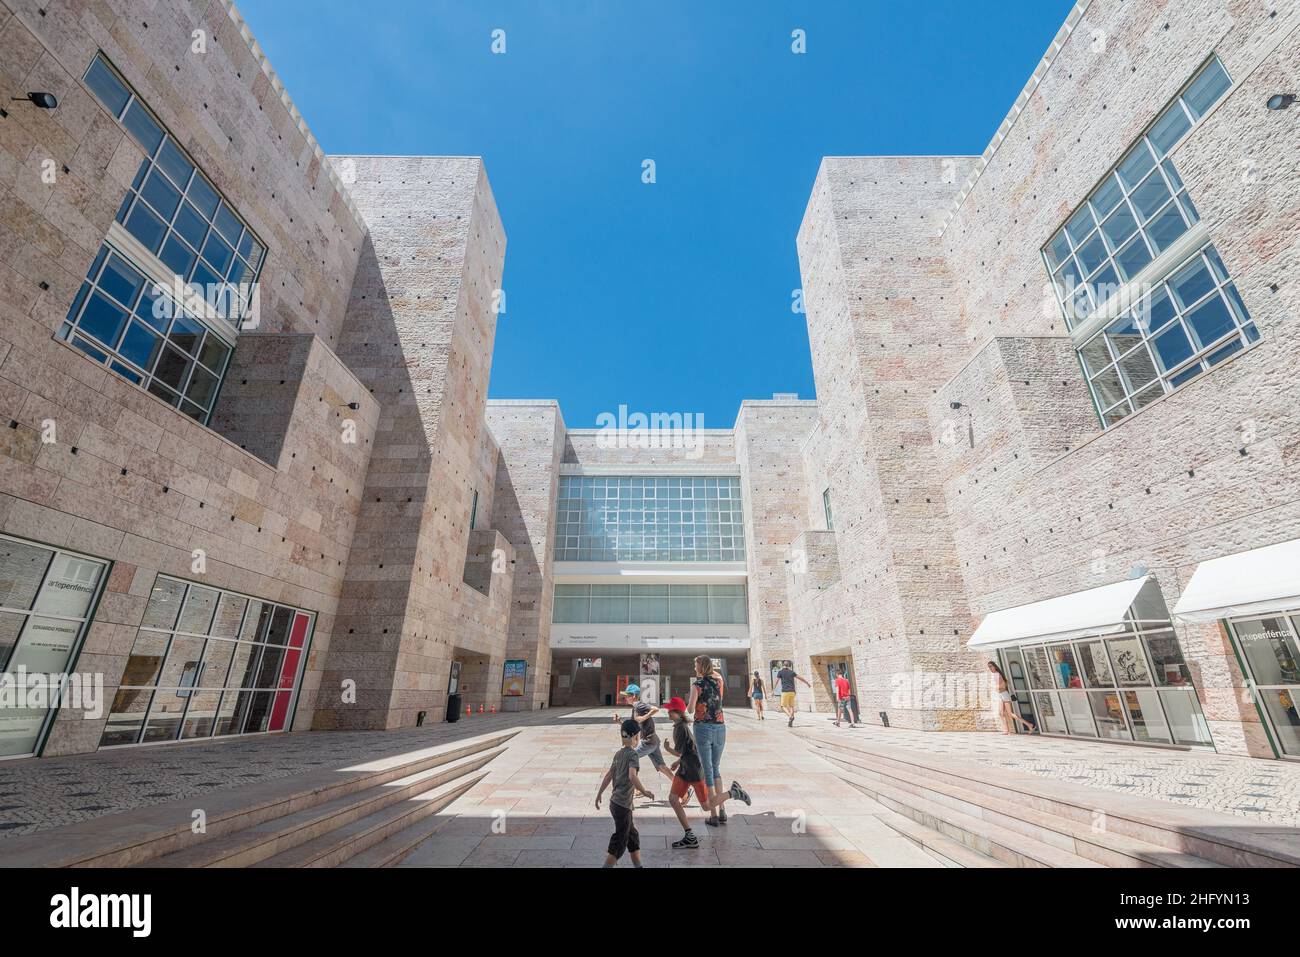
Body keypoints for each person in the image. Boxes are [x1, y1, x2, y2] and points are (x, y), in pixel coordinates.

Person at [685, 655, 751, 827]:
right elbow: (718, 699)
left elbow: (691, 710)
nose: (694, 668)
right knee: (715, 769)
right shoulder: (719, 681)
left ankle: (714, 814)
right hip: (720, 728)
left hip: (703, 728)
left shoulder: (696, 685)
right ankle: (722, 811)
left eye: (696, 665)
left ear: (700, 667)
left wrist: (689, 704)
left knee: (707, 770)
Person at [596, 717, 655, 867]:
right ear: (636, 737)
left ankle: (638, 865)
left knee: (632, 835)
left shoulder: (619, 754)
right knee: (620, 841)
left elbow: (609, 774)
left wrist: (599, 793)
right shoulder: (633, 754)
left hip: (615, 803)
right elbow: (632, 776)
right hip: (622, 805)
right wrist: (644, 791)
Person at [662, 696, 707, 849]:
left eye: (670, 711)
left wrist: (668, 750)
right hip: (685, 768)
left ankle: (733, 793)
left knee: (706, 806)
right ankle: (690, 835)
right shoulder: (679, 726)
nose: (668, 713)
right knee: (673, 799)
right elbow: (687, 751)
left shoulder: (681, 728)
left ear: (678, 713)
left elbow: (680, 752)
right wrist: (678, 762)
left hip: (693, 770)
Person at [612, 683, 675, 789]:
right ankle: (682, 789)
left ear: (633, 696)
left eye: (627, 696)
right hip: (652, 740)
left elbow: (655, 709)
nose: (626, 698)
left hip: (648, 741)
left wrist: (644, 717)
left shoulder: (639, 705)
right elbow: (632, 727)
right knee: (661, 766)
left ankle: (637, 790)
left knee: (628, 760)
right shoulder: (635, 709)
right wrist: (620, 722)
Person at [987, 661, 1036, 735]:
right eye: (989, 667)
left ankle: (1029, 725)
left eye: (991, 666)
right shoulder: (996, 674)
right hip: (1001, 695)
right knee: (1001, 713)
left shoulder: (997, 674)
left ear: (995, 666)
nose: (990, 668)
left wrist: (993, 687)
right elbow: (1006, 682)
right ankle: (1007, 730)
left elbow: (1002, 686)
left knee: (1010, 713)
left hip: (1004, 695)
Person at [774, 660, 811, 727]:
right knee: (791, 706)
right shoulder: (791, 672)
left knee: (783, 706)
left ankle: (790, 716)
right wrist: (807, 683)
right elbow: (800, 678)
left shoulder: (780, 672)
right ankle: (791, 721)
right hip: (792, 691)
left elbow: (776, 681)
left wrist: (773, 690)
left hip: (785, 691)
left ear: (783, 665)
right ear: (789, 665)